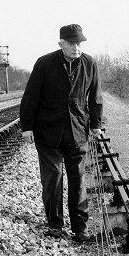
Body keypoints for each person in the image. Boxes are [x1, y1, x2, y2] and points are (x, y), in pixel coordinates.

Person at [20, 24, 103, 242]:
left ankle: (80, 228)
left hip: (77, 131)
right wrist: (26, 127)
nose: (76, 48)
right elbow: (30, 97)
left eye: (79, 43)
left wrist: (96, 125)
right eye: (71, 43)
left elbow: (95, 97)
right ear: (61, 44)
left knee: (78, 179)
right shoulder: (45, 63)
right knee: (53, 178)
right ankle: (55, 225)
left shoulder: (90, 63)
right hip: (48, 132)